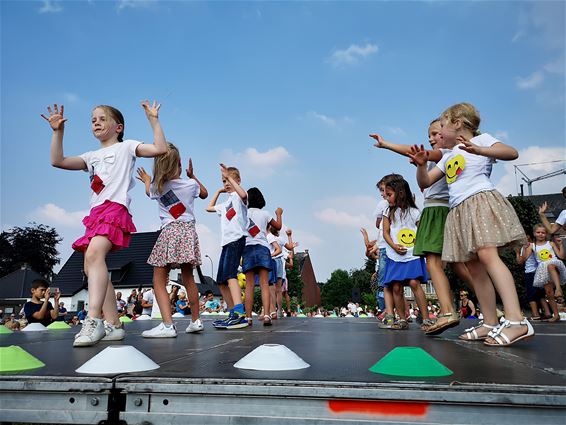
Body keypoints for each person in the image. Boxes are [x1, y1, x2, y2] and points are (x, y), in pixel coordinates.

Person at [42, 100, 167, 347]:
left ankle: (93, 319)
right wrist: (58, 133)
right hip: (96, 213)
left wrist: (153, 119)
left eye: (102, 119)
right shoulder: (91, 156)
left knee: (95, 254)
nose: (96, 122)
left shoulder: (127, 147)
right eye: (93, 120)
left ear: (118, 127)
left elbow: (160, 148)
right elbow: (57, 161)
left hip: (115, 208)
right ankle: (115, 324)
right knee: (92, 267)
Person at [411, 102, 532, 346]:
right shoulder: (447, 156)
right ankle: (489, 322)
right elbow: (425, 182)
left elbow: (511, 153)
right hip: (459, 210)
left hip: (479, 200)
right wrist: (422, 165)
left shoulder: (483, 139)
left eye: (442, 126)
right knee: (473, 266)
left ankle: (517, 319)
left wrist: (480, 150)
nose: (438, 133)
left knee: (488, 256)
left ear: (457, 124)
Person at [371, 120, 475, 335]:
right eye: (430, 135)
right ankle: (488, 304)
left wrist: (386, 144)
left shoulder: (446, 153)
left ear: (451, 133)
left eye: (436, 134)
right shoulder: (447, 157)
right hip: (446, 208)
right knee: (458, 265)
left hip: (439, 210)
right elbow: (423, 175)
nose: (431, 139)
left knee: (435, 264)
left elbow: (413, 153)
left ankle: (446, 312)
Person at [137, 143, 208, 338]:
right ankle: (196, 321)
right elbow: (204, 194)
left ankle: (168, 325)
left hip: (169, 232)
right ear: (179, 163)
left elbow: (148, 192)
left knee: (158, 279)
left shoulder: (157, 186)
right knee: (188, 278)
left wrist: (146, 179)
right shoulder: (190, 184)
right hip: (188, 232)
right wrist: (192, 175)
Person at [381, 177, 429, 330]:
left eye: (389, 194)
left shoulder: (414, 212)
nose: (387, 198)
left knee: (414, 283)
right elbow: (386, 232)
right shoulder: (387, 212)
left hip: (411, 254)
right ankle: (402, 319)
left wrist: (419, 245)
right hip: (394, 254)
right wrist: (394, 246)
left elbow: (421, 231)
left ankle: (426, 318)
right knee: (396, 287)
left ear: (400, 193)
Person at [206, 165, 249, 329]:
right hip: (226, 242)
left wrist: (230, 178)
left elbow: (243, 193)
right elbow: (208, 208)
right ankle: (232, 312)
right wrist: (218, 192)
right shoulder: (226, 204)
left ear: (238, 180)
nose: (226, 183)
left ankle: (239, 313)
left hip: (236, 239)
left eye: (229, 180)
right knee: (221, 281)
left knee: (231, 275)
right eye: (224, 180)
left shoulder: (240, 198)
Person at [241, 187, 283, 326]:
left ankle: (248, 318)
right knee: (264, 284)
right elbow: (278, 226)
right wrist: (278, 214)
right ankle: (266, 315)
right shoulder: (265, 214)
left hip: (247, 248)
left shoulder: (244, 213)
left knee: (249, 285)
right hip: (263, 248)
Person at [522, 224, 565, 322]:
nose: (541, 234)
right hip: (543, 270)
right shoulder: (532, 246)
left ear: (546, 234)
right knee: (549, 293)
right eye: (538, 232)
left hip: (555, 265)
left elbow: (561, 256)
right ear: (534, 233)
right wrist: (524, 248)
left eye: (543, 232)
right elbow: (524, 258)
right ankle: (556, 315)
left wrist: (560, 245)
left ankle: (558, 290)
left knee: (550, 265)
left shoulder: (551, 244)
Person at [516, 237, 551, 321]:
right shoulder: (536, 246)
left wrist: (517, 252)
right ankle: (547, 313)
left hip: (531, 273)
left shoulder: (528, 247)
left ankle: (535, 314)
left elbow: (521, 261)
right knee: (540, 294)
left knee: (531, 294)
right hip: (539, 271)